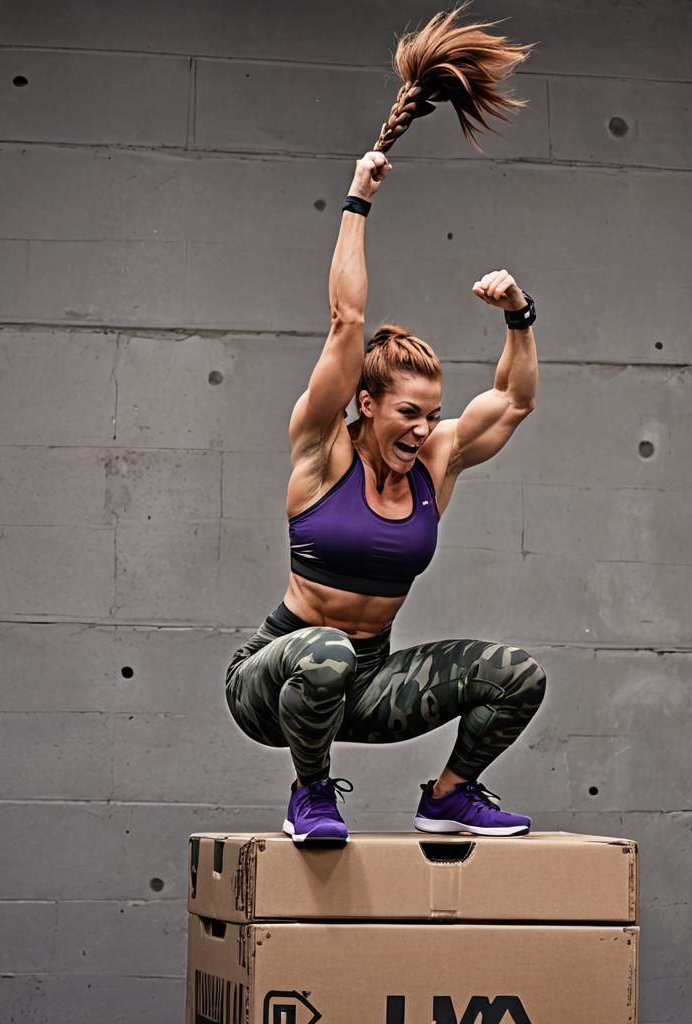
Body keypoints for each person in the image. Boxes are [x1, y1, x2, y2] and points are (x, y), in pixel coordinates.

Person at [224, 151, 545, 844]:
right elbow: (347, 320)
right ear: (366, 404)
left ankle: (450, 798)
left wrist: (519, 315)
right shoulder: (322, 450)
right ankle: (309, 792)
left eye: (432, 414)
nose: (424, 429)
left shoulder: (436, 462)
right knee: (328, 653)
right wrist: (357, 202)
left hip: (367, 684)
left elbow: (515, 399)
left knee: (516, 675)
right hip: (276, 681)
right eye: (408, 413)